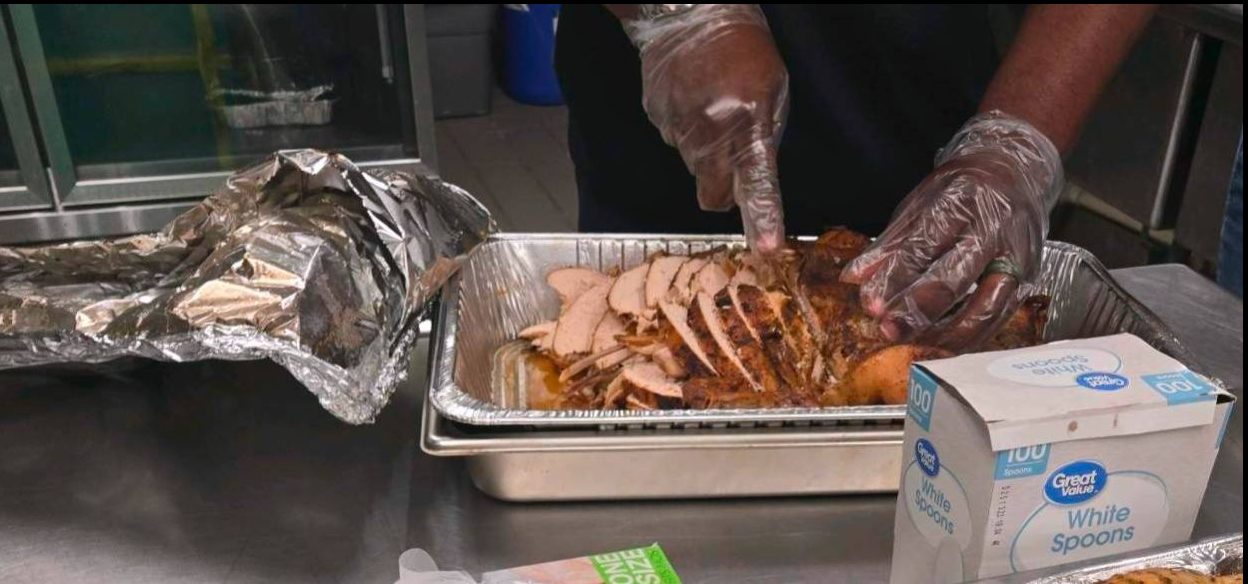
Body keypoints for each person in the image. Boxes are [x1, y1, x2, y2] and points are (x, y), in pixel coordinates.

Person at [554, 4, 1157, 349]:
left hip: (926, 129)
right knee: (635, 335)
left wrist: (1017, 139)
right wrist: (680, 15)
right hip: (667, 126)